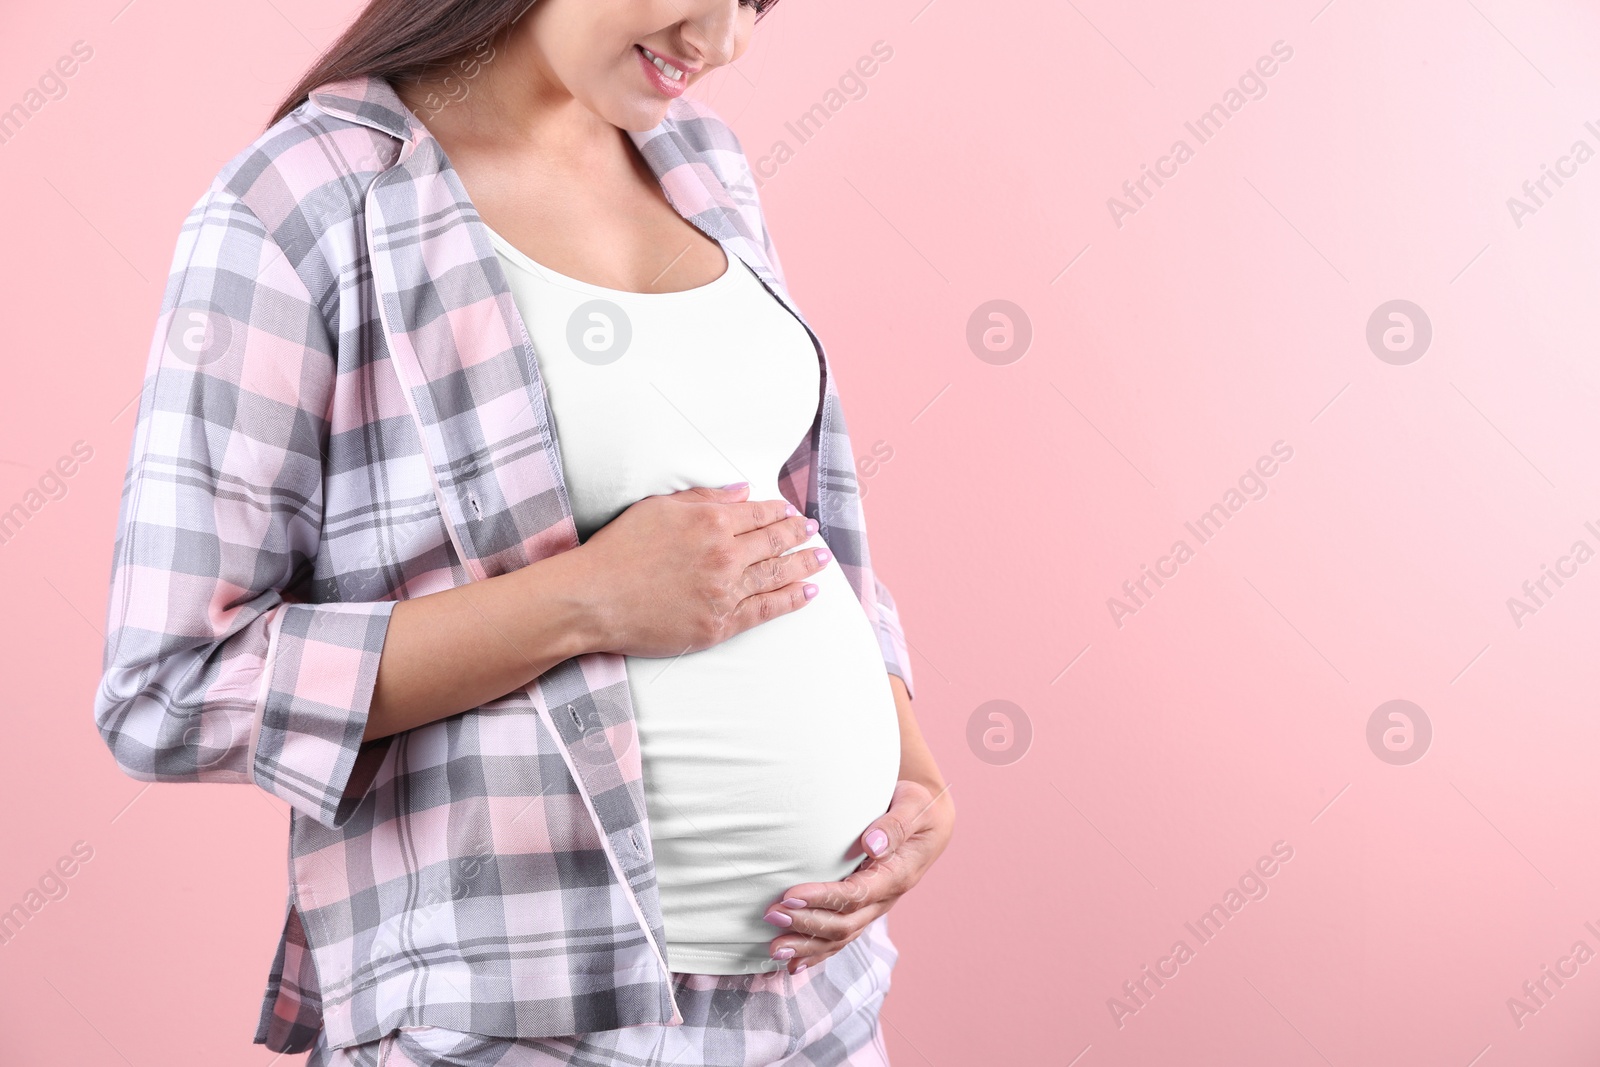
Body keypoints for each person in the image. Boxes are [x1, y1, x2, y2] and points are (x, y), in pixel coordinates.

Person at [93, 1, 954, 1063]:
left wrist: (910, 770)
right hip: (519, 1019)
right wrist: (583, 599)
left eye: (756, 2)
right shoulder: (303, 207)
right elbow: (172, 687)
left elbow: (800, 515)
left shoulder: (698, 160)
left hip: (816, 1005)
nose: (721, 41)